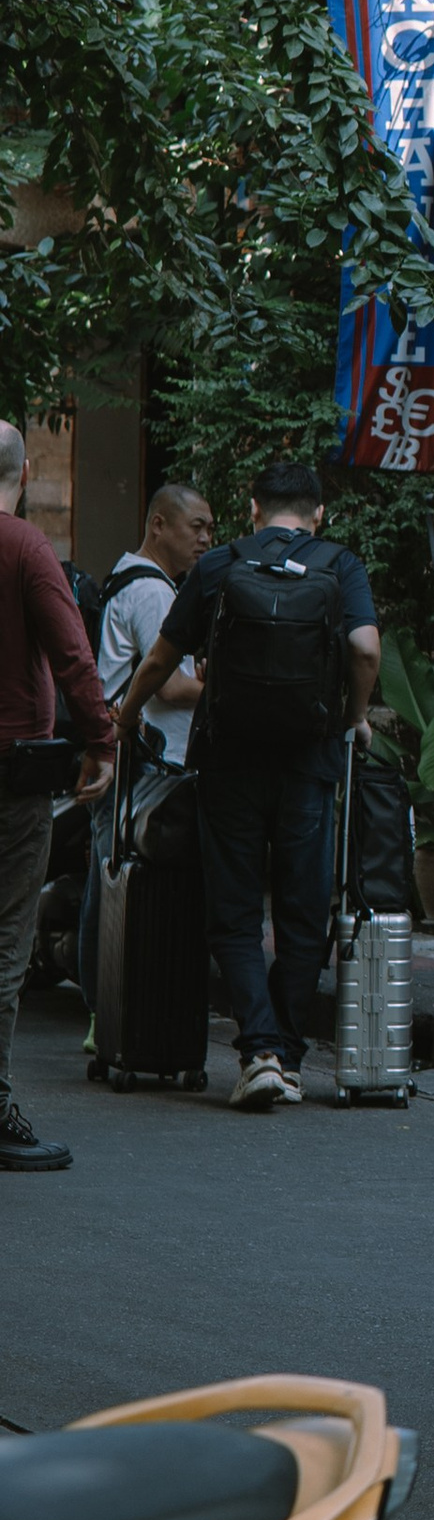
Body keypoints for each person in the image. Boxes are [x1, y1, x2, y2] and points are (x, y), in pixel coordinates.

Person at [117, 460, 380, 1112]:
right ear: (318, 514)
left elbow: (160, 658)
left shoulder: (220, 565)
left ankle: (259, 1050)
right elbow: (366, 649)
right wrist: (354, 718)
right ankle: (285, 1059)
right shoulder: (339, 565)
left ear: (254, 509)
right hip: (309, 763)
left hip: (228, 762)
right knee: (300, 912)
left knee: (233, 914)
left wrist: (124, 717)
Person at [0, 423, 116, 1171]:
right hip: (12, 775)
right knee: (7, 939)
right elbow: (74, 655)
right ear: (27, 470)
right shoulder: (25, 548)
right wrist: (102, 741)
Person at [79, 481, 215, 1019]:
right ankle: (111, 1011)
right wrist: (223, 683)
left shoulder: (128, 576)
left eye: (210, 528)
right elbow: (172, 686)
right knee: (116, 889)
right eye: (196, 526)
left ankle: (108, 1011)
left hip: (130, 761)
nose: (206, 538)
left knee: (108, 881)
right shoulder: (154, 591)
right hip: (144, 767)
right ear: (159, 525)